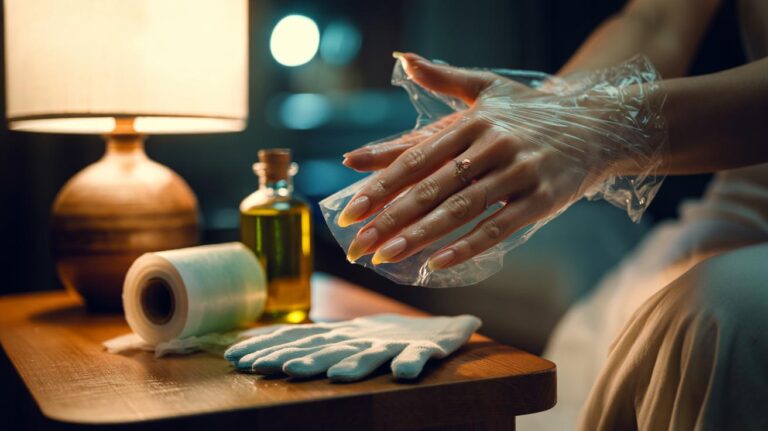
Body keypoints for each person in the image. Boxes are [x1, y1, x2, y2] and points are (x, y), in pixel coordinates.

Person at [340, 0, 768, 429]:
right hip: (743, 207)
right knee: (599, 343)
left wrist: (600, 131)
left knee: (721, 314)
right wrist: (543, 113)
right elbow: (655, 21)